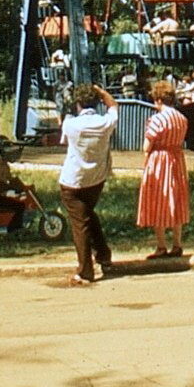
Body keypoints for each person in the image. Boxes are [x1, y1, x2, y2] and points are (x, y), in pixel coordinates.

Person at [59, 83, 118, 285]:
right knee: (88, 215)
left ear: (78, 103)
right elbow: (113, 105)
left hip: (73, 181)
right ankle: (103, 255)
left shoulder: (71, 125)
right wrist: (102, 92)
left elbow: (64, 132)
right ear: (96, 102)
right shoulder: (105, 122)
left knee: (80, 225)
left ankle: (85, 271)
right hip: (96, 180)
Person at [136, 83, 190, 258]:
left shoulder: (157, 119)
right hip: (177, 159)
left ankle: (161, 246)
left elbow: (146, 146)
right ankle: (177, 244)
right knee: (177, 199)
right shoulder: (182, 118)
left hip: (160, 161)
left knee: (158, 199)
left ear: (159, 100)